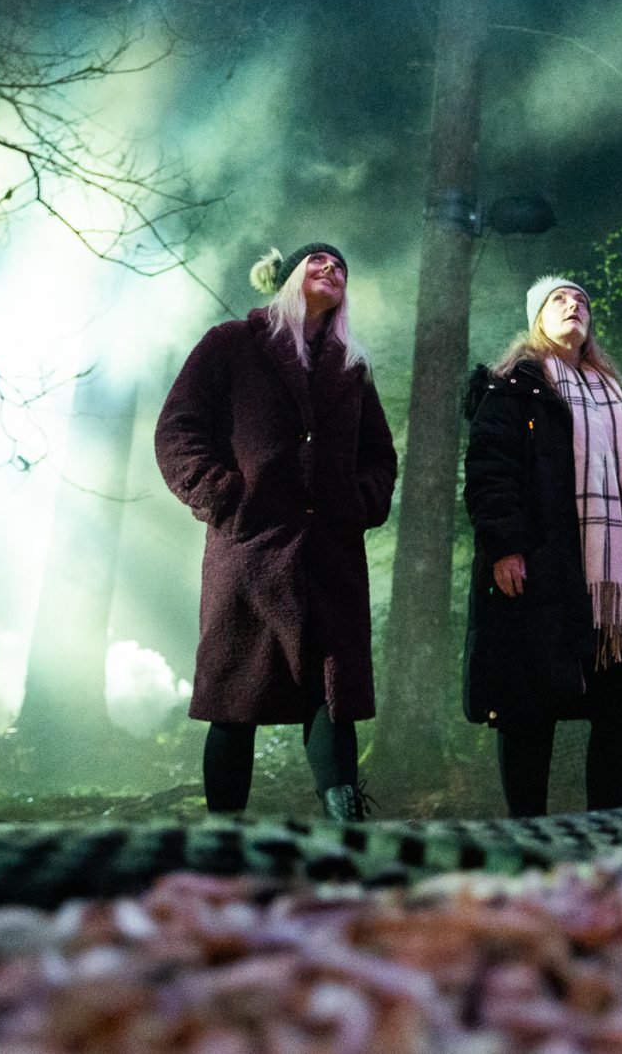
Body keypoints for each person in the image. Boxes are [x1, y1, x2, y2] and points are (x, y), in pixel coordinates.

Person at [154, 243, 397, 821]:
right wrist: (226, 499)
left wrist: (359, 502)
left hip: (329, 555)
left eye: (341, 266)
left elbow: (379, 456)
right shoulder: (231, 344)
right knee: (234, 700)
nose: (332, 269)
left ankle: (348, 830)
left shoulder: (350, 366)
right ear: (286, 280)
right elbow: (178, 431)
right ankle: (225, 838)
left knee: (331, 696)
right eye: (318, 262)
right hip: (251, 551)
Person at [462, 276, 622, 816]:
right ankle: (528, 835)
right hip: (543, 570)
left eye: (581, 301)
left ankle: (606, 835)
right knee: (527, 708)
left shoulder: (617, 397)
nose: (574, 305)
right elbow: (492, 470)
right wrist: (506, 547)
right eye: (559, 299)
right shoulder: (512, 387)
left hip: (620, 583)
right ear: (536, 317)